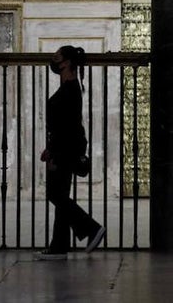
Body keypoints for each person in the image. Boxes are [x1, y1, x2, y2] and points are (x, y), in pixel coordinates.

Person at [36, 45, 105, 260]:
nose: (53, 60)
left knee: (55, 195)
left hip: (65, 149)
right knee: (61, 195)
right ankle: (59, 246)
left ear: (66, 62)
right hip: (64, 147)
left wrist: (54, 151)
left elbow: (66, 126)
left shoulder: (69, 89)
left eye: (56, 57)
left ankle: (91, 228)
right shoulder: (71, 87)